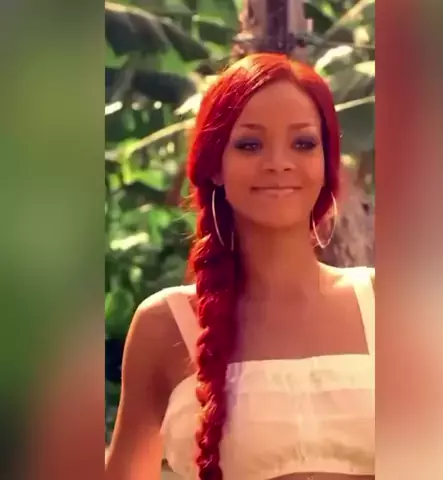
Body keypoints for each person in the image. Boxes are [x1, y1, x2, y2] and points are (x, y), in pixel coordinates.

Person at [105, 53, 375, 480]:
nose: (278, 162)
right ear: (215, 165)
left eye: (303, 143)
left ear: (326, 162)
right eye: (250, 144)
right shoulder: (166, 325)